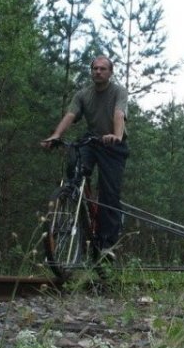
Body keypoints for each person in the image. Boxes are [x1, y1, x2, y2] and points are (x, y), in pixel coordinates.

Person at [41, 56, 129, 259]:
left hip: (113, 144)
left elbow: (119, 114)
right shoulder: (83, 94)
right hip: (93, 140)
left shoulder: (118, 91)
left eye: (103, 69)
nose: (98, 72)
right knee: (74, 162)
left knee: (109, 194)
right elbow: (70, 115)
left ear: (110, 72)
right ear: (91, 71)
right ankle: (75, 197)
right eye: (95, 68)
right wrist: (56, 136)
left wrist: (116, 136)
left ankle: (106, 245)